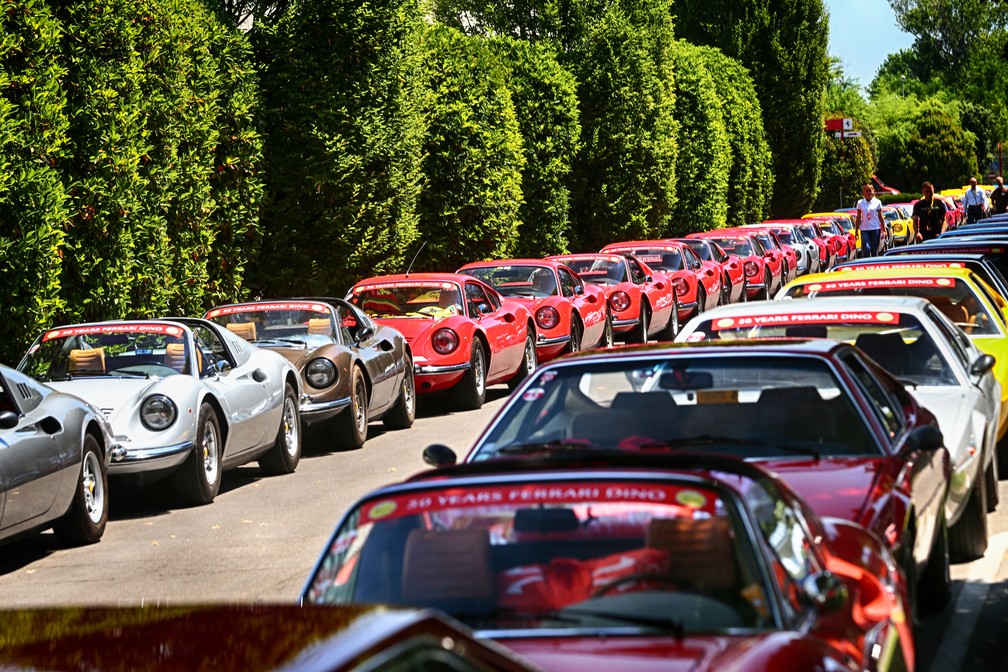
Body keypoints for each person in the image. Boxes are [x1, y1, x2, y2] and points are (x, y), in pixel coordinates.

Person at [855, 183, 885, 257]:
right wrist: (856, 229)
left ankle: (874, 266)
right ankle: (866, 265)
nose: (868, 193)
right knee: (866, 249)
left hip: (875, 228)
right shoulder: (860, 202)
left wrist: (883, 229)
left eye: (870, 191)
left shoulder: (878, 202)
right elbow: (858, 217)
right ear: (864, 192)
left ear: (873, 191)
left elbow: (880, 216)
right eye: (867, 191)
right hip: (864, 229)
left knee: (874, 250)